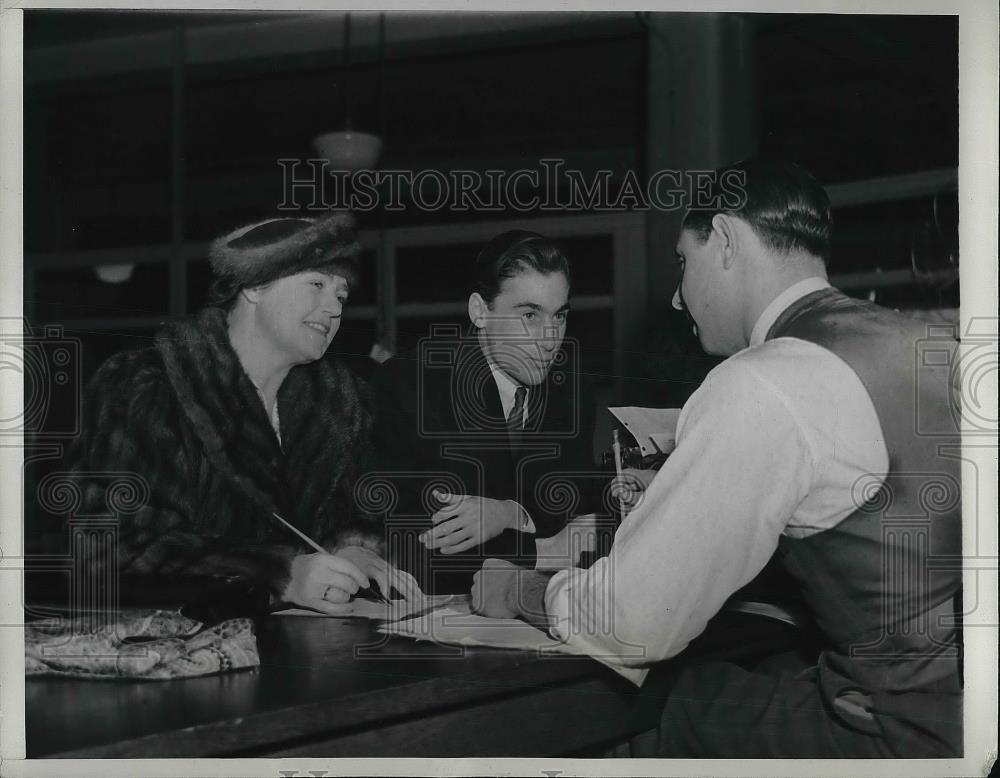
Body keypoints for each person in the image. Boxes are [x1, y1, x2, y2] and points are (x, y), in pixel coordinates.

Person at [471, 160, 962, 757]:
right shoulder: (930, 346)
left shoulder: (763, 379)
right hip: (961, 709)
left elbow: (628, 625)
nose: (677, 299)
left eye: (683, 261)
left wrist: (518, 590)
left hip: (893, 738)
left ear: (726, 240)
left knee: (618, 716)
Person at [66, 211, 418, 614]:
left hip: (301, 657)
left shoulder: (338, 403)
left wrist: (353, 552)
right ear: (253, 287)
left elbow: (352, 516)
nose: (333, 308)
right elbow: (109, 548)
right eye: (316, 284)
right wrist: (276, 573)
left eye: (340, 295)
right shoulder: (145, 387)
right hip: (170, 653)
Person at [371, 230, 602, 593]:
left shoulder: (571, 392)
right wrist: (546, 549)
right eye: (529, 315)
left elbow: (575, 511)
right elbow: (426, 547)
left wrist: (508, 512)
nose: (549, 340)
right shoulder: (411, 385)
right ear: (480, 312)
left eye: (559, 317)